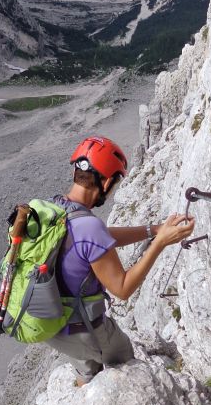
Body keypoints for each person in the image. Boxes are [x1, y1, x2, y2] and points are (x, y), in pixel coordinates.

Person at [47, 135, 195, 385]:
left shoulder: (54, 209)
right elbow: (123, 289)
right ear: (105, 182)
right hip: (83, 327)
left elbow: (95, 240)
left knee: (87, 365)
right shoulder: (89, 228)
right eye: (114, 183)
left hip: (50, 323)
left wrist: (153, 230)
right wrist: (160, 243)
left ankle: (85, 382)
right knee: (125, 358)